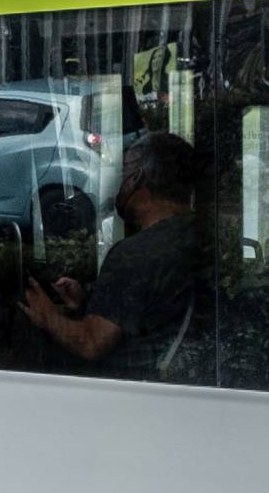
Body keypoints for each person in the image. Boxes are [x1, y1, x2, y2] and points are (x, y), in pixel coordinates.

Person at [19, 131, 205, 375]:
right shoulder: (198, 238)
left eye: (124, 172)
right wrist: (90, 301)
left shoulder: (135, 254)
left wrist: (47, 316)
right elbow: (152, 308)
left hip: (136, 386)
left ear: (136, 178)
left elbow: (92, 343)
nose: (119, 182)